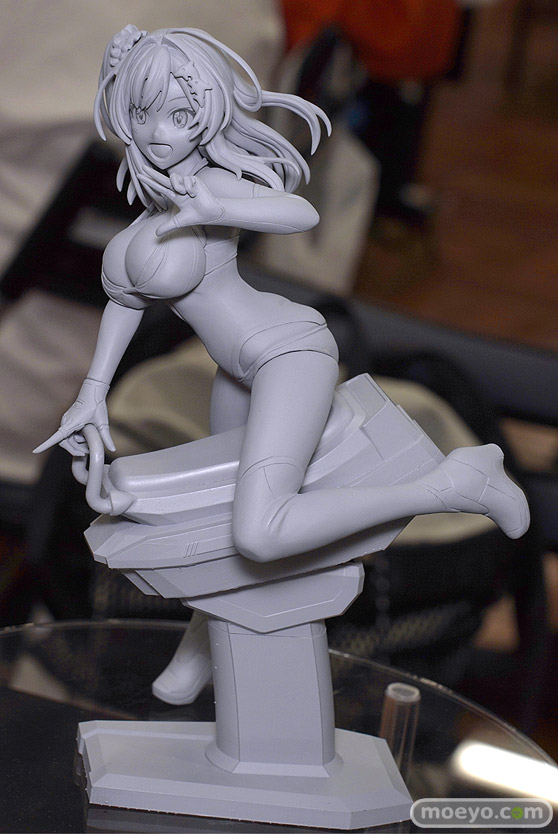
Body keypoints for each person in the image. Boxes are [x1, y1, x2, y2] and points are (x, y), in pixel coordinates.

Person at [35, 25, 528, 705]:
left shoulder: (211, 186)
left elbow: (297, 212)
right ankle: (205, 639)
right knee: (224, 524)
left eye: (180, 115)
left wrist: (219, 204)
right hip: (234, 371)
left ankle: (454, 483)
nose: (158, 133)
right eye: (144, 113)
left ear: (208, 114)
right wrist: (91, 393)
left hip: (288, 352)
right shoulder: (150, 209)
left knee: (259, 532)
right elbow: (125, 302)